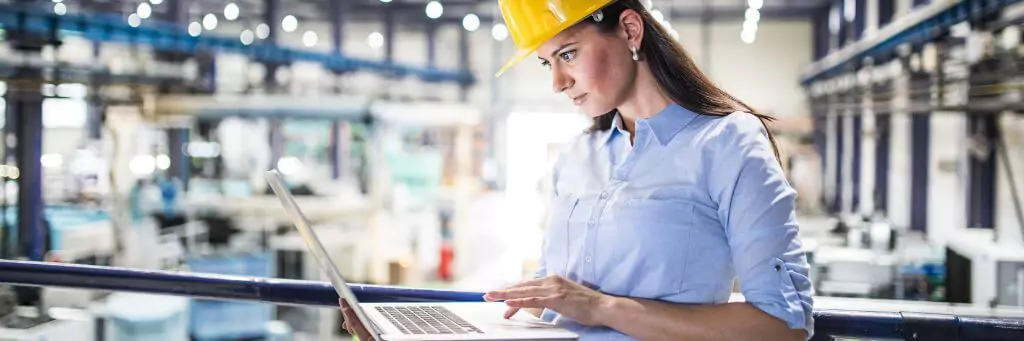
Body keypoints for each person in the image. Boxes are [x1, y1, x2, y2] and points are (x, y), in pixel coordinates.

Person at [341, 0, 814, 340]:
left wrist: (601, 307)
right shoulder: (577, 156)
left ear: (630, 30)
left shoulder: (727, 143)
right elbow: (547, 308)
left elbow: (783, 324)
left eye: (568, 54)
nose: (557, 82)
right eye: (546, 62)